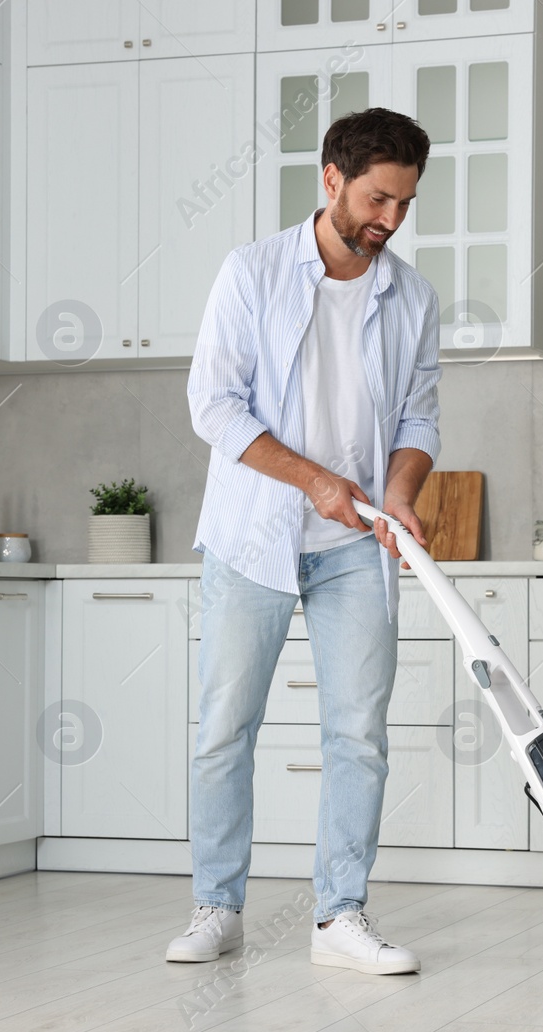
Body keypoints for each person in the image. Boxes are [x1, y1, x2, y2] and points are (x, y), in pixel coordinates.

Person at [170, 107, 442, 975]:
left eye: (403, 203)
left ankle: (340, 918)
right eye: (376, 198)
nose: (389, 220)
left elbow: (419, 414)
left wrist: (398, 494)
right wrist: (316, 480)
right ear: (331, 178)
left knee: (357, 734)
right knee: (225, 728)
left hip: (357, 545)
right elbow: (213, 405)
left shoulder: (413, 296)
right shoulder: (250, 274)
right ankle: (218, 906)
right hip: (254, 536)